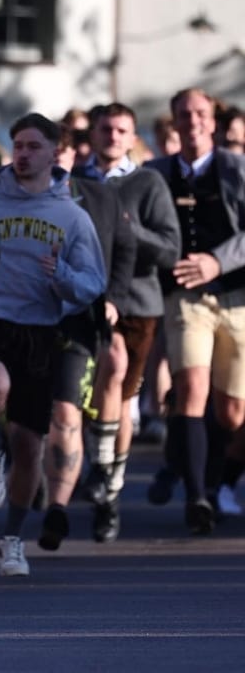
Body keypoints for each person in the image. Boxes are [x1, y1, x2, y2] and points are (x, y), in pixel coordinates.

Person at [0, 113, 105, 576]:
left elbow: (91, 283)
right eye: (17, 145)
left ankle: (13, 539)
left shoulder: (71, 216)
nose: (22, 154)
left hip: (39, 330)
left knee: (30, 445)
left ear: (55, 153)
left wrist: (61, 277)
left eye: (33, 146)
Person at [70, 103, 180, 542]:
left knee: (122, 393)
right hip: (84, 300)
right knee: (89, 392)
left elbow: (171, 250)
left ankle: (109, 492)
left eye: (121, 130)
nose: (113, 137)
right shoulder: (75, 180)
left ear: (132, 136)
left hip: (136, 301)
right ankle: (92, 472)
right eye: (105, 129)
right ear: (92, 134)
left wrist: (128, 230)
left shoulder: (148, 181)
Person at [145, 88, 245, 534]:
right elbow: (133, 226)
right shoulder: (154, 173)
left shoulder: (236, 168)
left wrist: (217, 260)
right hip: (183, 297)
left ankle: (219, 478)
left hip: (235, 296)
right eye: (184, 114)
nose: (193, 121)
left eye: (201, 113)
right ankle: (196, 496)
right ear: (174, 122)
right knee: (192, 388)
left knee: (233, 412)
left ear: (214, 119)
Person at [34, 121, 136, 551]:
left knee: (78, 401)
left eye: (62, 154)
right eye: (47, 154)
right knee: (36, 415)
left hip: (85, 315)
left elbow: (125, 248)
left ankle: (81, 493)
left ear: (73, 157)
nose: (56, 162)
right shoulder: (13, 198)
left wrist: (115, 298)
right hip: (25, 318)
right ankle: (39, 484)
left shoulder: (100, 197)